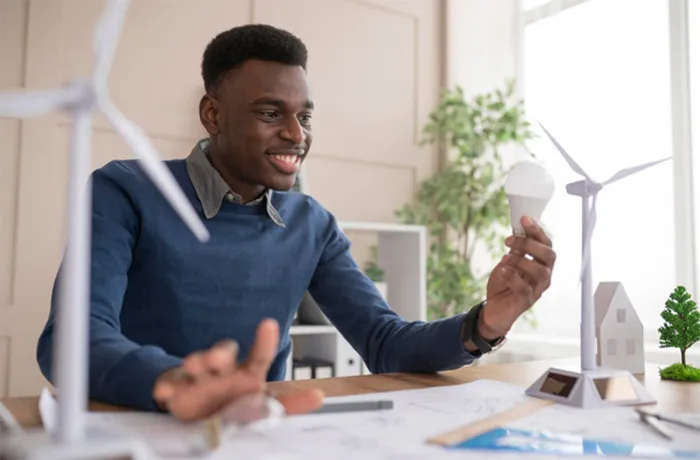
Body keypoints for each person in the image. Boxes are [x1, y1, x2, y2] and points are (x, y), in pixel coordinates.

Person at [36, 24, 556, 422]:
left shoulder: (311, 224)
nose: (295, 134)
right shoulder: (125, 189)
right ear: (213, 115)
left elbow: (385, 342)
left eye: (304, 117)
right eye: (270, 114)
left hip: (251, 436)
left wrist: (486, 322)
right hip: (132, 429)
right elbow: (71, 341)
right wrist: (176, 382)